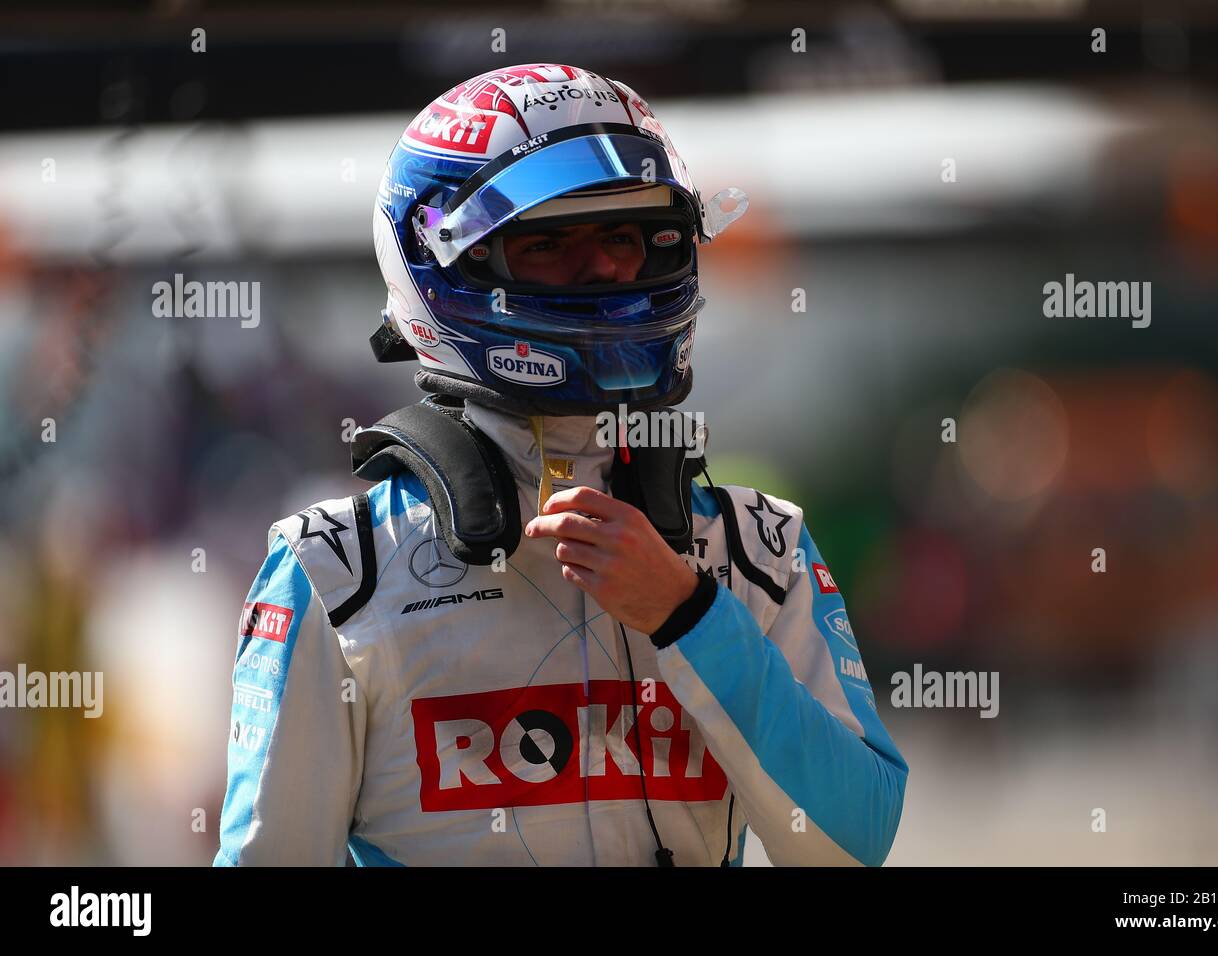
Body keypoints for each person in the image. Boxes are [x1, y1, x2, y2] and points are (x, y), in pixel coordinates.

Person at [214, 63, 907, 867]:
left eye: (623, 236)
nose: (605, 271)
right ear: (443, 265)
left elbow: (850, 850)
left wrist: (689, 615)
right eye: (547, 243)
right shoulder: (337, 575)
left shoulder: (757, 549)